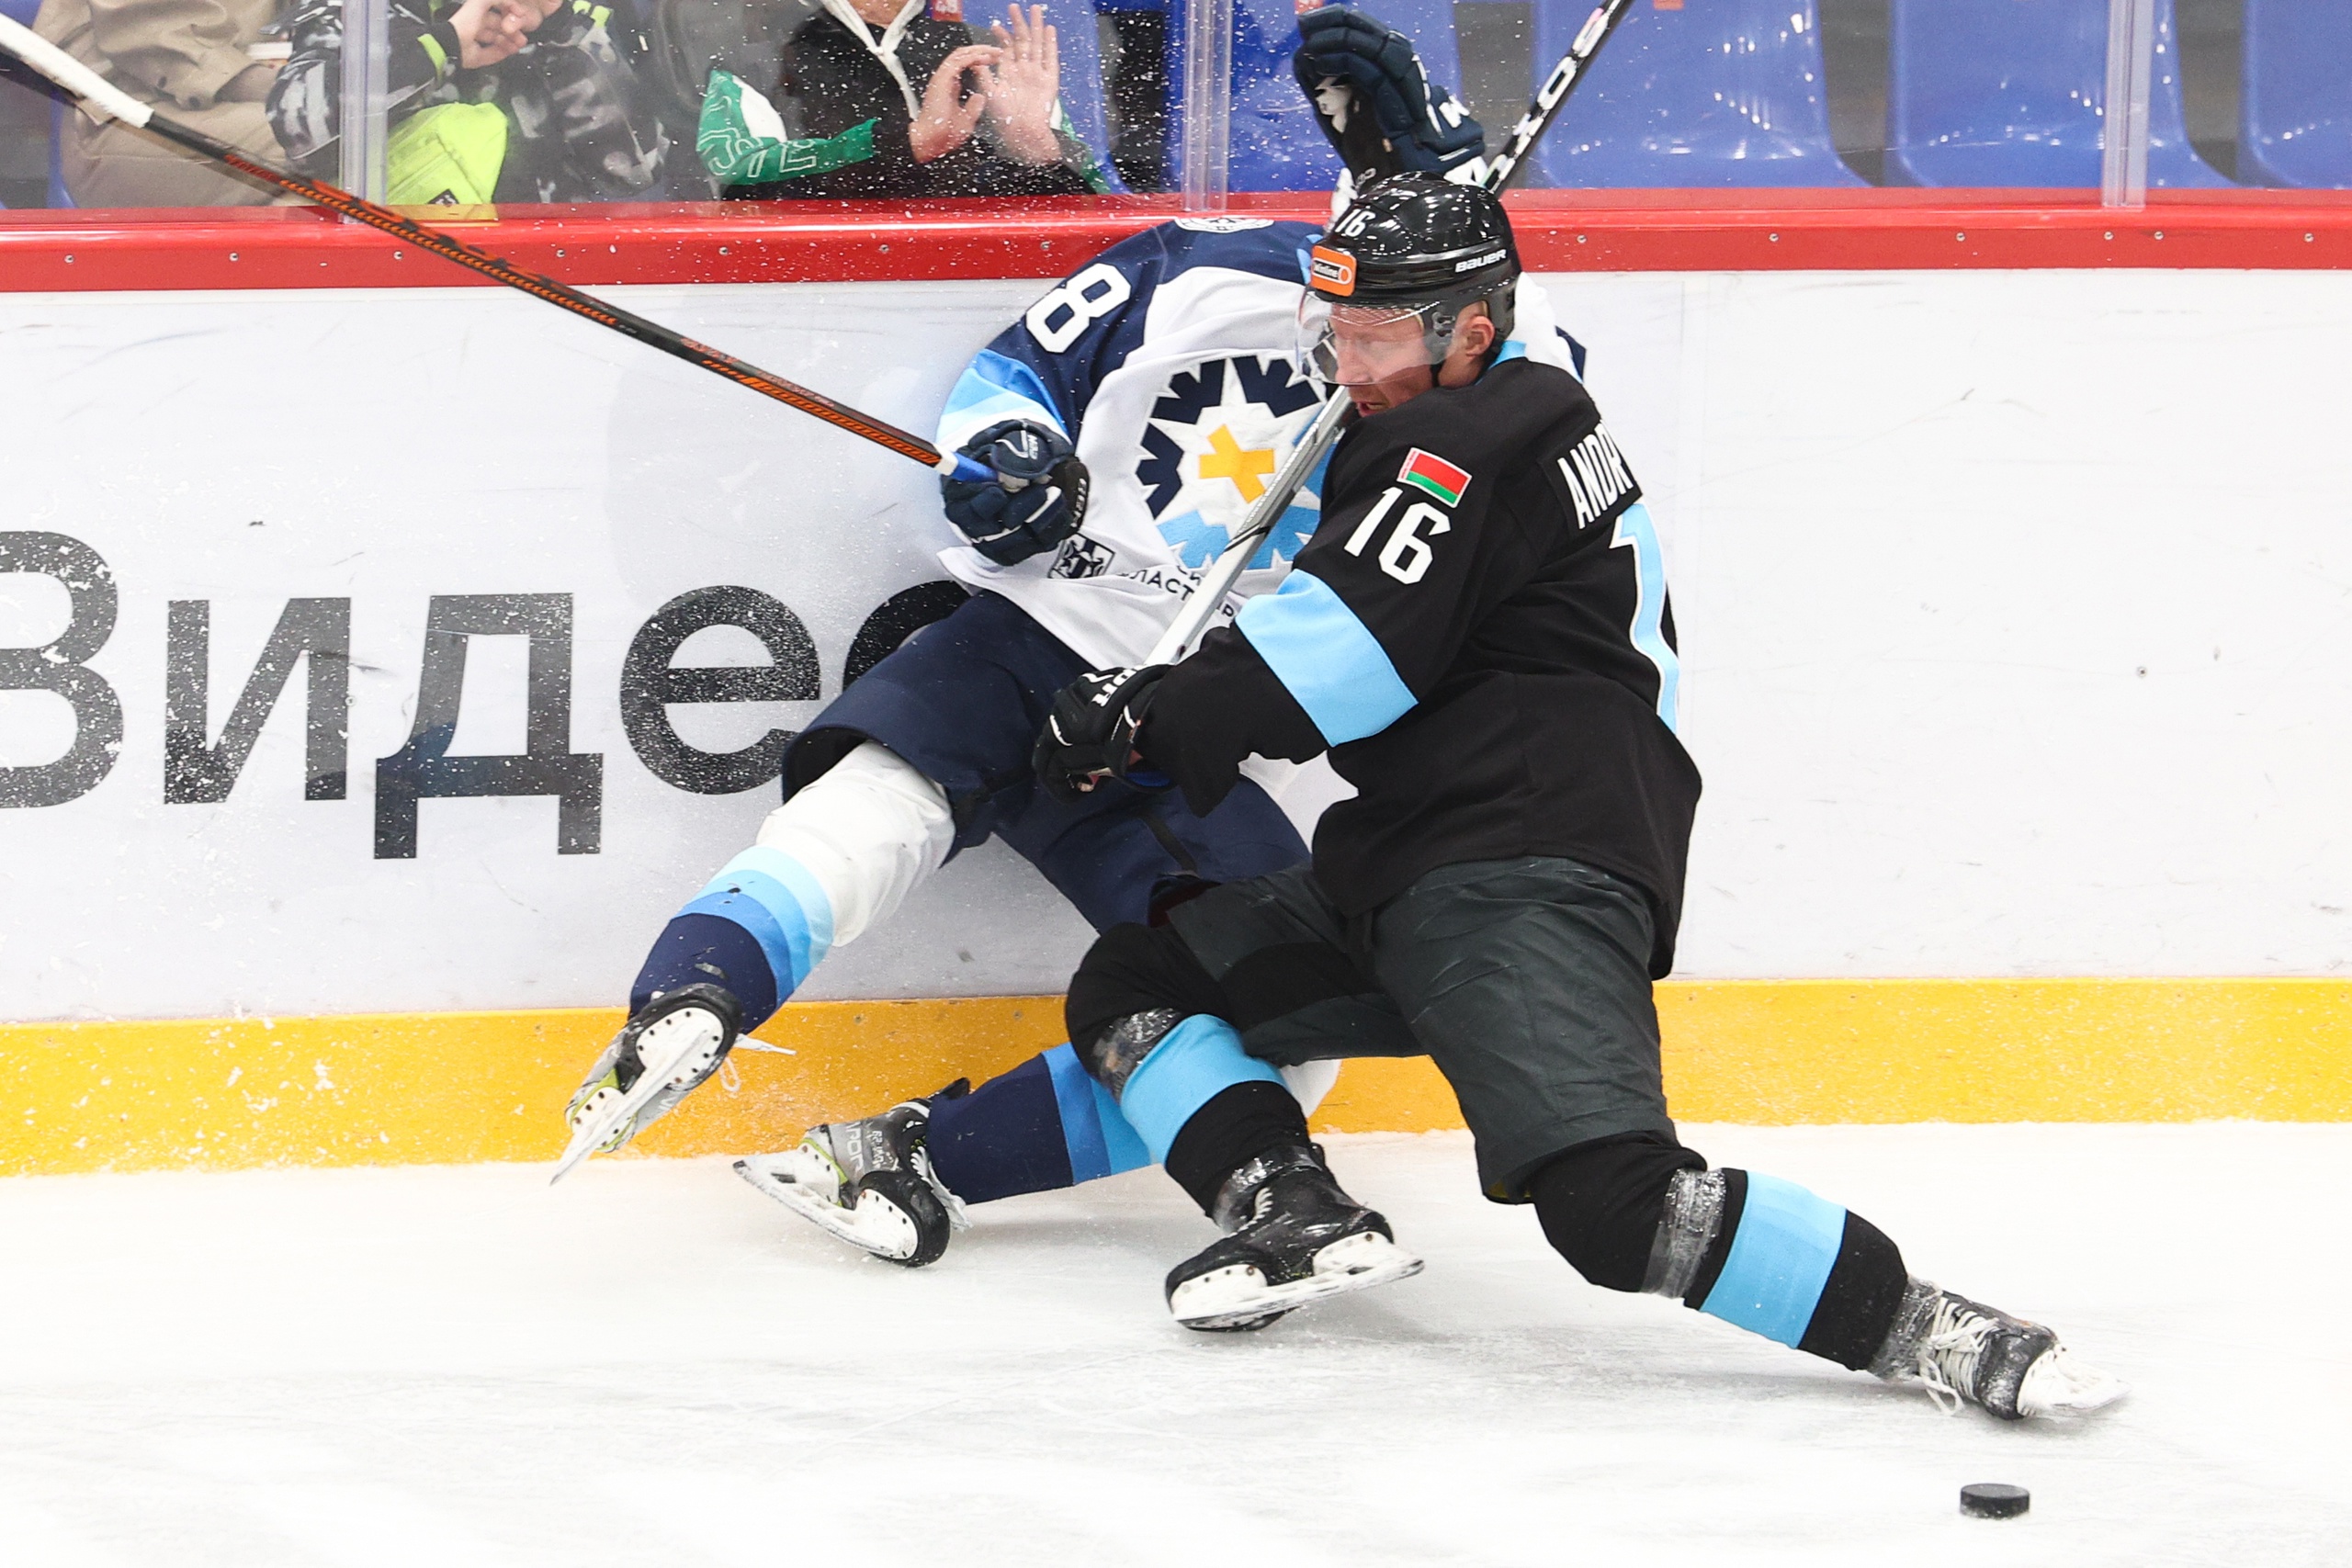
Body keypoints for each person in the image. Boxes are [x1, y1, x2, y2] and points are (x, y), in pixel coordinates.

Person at [1027, 173, 2128, 1423]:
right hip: (1429, 853)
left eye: (1378, 338)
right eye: (1337, 333)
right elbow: (1371, 637)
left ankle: (1936, 1327)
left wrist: (1139, 719)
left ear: (1470, 332)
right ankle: (1292, 1210)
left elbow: (1329, 664)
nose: (1351, 367)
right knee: (1141, 979)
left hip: (1515, 864)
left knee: (1616, 1206)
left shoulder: (1459, 446)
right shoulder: (1511, 414)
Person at [560, 12, 1587, 1266]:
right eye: (1346, 297)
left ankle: (1134, 1177)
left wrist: (1482, 252)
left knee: (1291, 1008)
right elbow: (1015, 376)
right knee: (874, 808)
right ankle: (693, 998)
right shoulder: (1198, 270)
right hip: (1036, 630)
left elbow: (1535, 416)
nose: (1353, 340)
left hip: (1184, 717)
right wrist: (1006, 462)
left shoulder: (1493, 398)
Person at [695, 0, 1111, 199]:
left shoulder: (993, 56)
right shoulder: (758, 62)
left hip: (991, 300)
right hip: (821, 302)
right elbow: (735, 189)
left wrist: (1037, 152)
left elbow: (1101, 225)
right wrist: (903, 144)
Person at [266, 0, 669, 205]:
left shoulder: (573, 15)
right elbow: (299, 131)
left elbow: (637, 171)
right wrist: (442, 44)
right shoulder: (359, 12)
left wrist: (561, 28)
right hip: (406, 269)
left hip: (555, 272)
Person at [33, 0, 288, 207]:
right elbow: (141, 23)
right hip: (131, 114)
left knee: (305, 187)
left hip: (257, 102)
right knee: (306, 141)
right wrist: (281, 87)